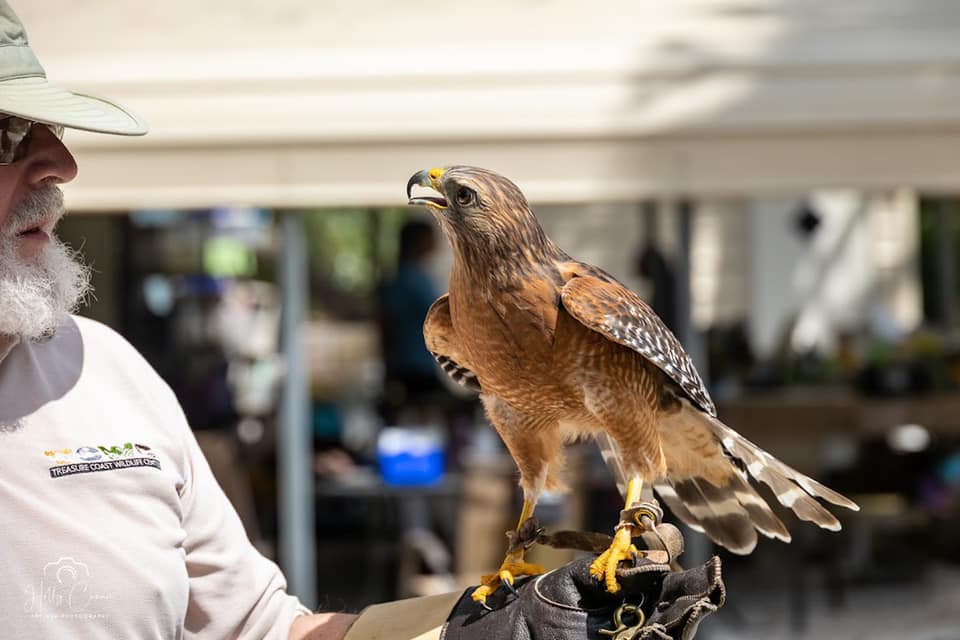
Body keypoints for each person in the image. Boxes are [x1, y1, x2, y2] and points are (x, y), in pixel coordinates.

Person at [0, 2, 723, 638]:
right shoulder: (451, 315)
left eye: (52, 129)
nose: (61, 163)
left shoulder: (106, 373)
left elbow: (260, 630)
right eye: (8, 135)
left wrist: (462, 637)